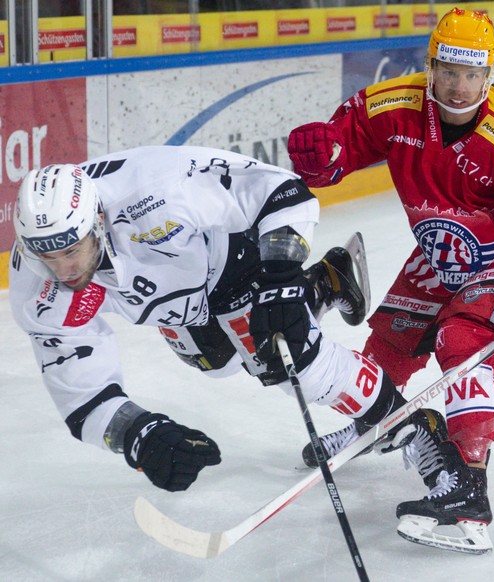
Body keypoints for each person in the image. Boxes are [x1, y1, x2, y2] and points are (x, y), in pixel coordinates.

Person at [287, 7, 494, 553]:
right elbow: (340, 148)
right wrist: (320, 155)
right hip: (440, 251)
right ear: (431, 65)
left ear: (490, 73)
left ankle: (469, 486)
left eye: (473, 74)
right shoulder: (395, 105)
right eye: (448, 70)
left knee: (461, 342)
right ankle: (374, 420)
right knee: (390, 340)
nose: (459, 86)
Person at [9, 146, 445, 498]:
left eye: (70, 251)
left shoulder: (156, 188)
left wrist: (280, 278)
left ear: (99, 222)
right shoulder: (38, 283)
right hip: (176, 289)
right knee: (217, 362)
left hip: (228, 254)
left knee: (288, 365)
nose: (63, 270)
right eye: (45, 256)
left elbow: (280, 191)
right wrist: (137, 434)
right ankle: (325, 284)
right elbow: (80, 393)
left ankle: (413, 427)